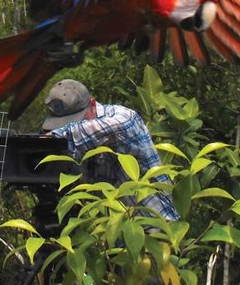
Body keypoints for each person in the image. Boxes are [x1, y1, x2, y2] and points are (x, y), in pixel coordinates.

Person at [42, 79, 180, 222]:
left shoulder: (123, 116)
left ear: (93, 104)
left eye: (76, 120)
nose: (70, 127)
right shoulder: (75, 142)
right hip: (115, 230)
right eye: (63, 124)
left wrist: (54, 138)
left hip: (156, 223)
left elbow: (113, 128)